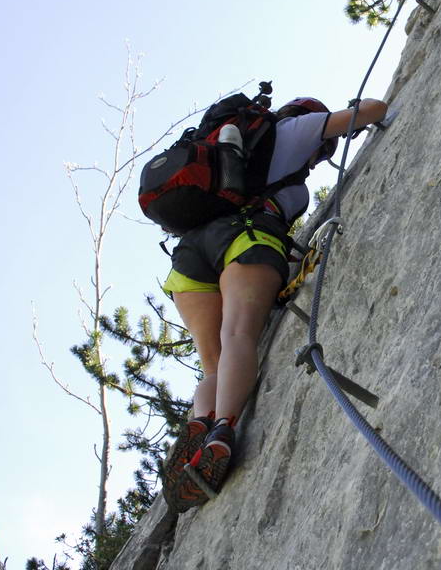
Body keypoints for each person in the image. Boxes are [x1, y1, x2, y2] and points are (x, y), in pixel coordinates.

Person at [161, 96, 388, 512]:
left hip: (191, 257)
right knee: (239, 335)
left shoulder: (230, 152)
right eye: (324, 153)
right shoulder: (296, 131)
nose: (319, 160)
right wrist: (356, 109)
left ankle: (200, 420)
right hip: (247, 238)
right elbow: (374, 110)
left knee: (213, 364)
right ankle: (223, 428)